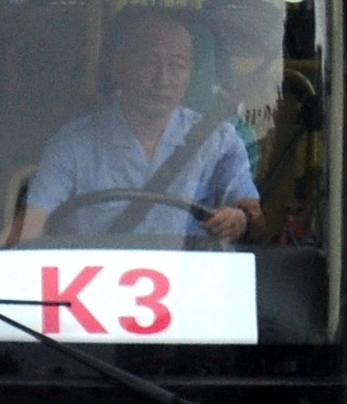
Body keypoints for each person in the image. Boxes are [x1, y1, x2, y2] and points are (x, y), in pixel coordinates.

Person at [14, 12, 262, 244]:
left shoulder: (219, 141)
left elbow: (254, 218)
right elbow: (32, 222)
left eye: (177, 66)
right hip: (92, 283)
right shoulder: (73, 144)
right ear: (120, 67)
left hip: (188, 282)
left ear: (190, 75)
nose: (162, 80)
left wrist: (239, 218)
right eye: (149, 62)